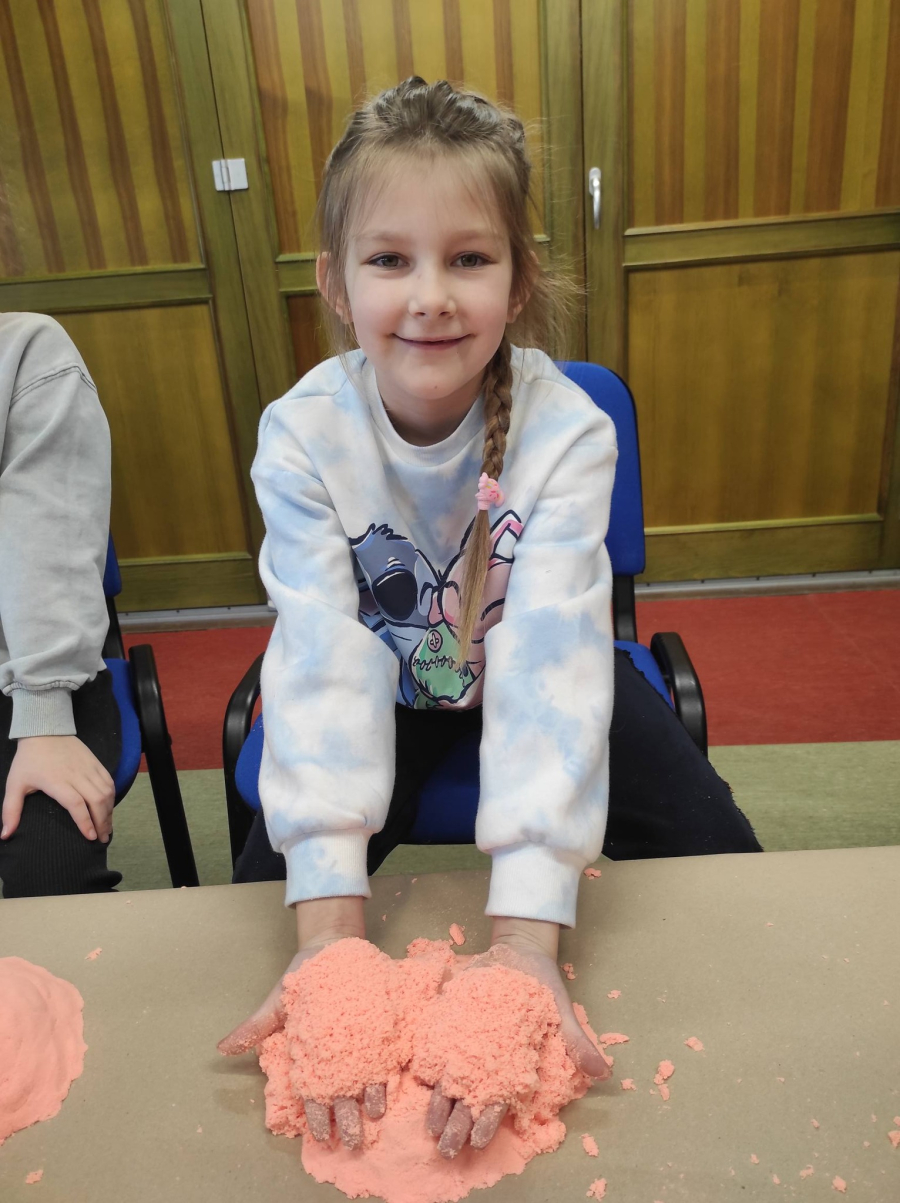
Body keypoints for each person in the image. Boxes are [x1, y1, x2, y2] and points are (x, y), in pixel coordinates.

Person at [219, 78, 761, 1154]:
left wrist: (521, 947)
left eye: (469, 258)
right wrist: (329, 935)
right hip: (386, 691)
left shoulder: (569, 430)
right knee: (273, 893)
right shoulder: (300, 435)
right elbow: (321, 662)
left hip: (530, 670)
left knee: (727, 861)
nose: (430, 296)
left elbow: (552, 664)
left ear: (517, 283)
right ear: (335, 283)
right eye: (390, 259)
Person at [0, 311, 121, 898]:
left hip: (27, 674)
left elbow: (47, 539)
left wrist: (44, 721)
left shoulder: (24, 349)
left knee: (54, 882)